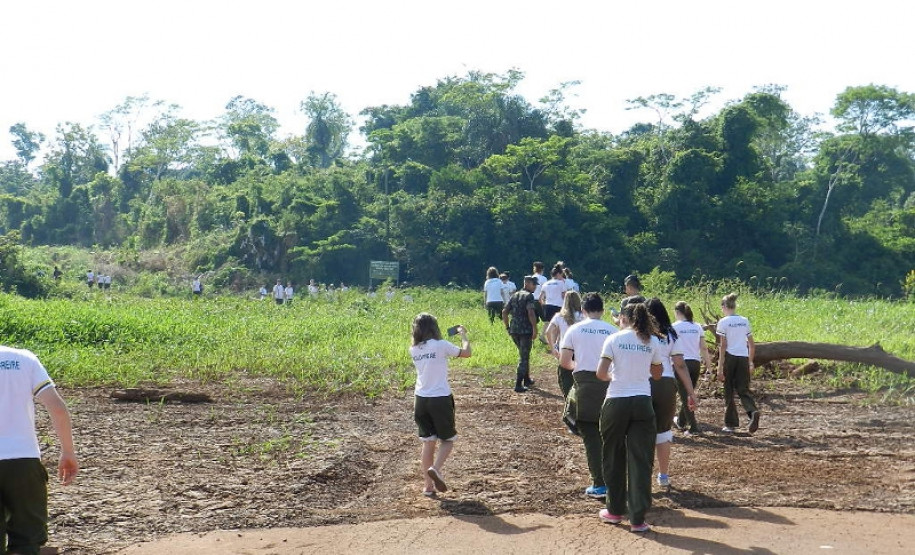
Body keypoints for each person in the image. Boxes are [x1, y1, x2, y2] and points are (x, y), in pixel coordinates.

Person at [1, 345, 79, 554]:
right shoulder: (23, 359)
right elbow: (57, 408)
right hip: (24, 462)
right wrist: (68, 451)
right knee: (27, 541)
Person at [595, 301, 663, 533]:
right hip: (642, 402)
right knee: (641, 460)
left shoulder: (614, 339)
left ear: (623, 318)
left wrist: (615, 377)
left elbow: (601, 373)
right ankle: (638, 519)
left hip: (616, 400)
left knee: (613, 455)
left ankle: (614, 511)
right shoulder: (652, 341)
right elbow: (657, 374)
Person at [558, 293, 617, 499]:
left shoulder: (575, 329)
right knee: (611, 436)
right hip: (610, 386)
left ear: (583, 310)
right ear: (602, 310)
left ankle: (599, 483)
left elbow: (564, 362)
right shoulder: (613, 331)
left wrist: (580, 365)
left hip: (585, 386)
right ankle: (616, 480)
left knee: (591, 437)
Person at [409, 313, 470, 496]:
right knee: (448, 440)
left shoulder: (413, 349)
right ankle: (435, 469)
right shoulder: (441, 345)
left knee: (428, 443)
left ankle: (428, 487)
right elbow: (466, 353)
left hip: (420, 399)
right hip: (440, 398)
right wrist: (463, 335)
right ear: (434, 327)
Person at [645, 298, 698, 490]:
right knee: (664, 431)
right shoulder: (670, 334)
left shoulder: (641, 334)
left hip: (643, 383)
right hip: (666, 383)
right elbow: (680, 365)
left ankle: (643, 474)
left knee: (641, 430)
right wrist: (691, 392)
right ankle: (663, 475)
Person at [717, 293, 761, 434]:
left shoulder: (723, 322)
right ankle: (752, 411)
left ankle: (730, 423)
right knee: (743, 389)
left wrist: (719, 367)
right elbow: (751, 345)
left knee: (729, 390)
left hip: (730, 357)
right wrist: (750, 362)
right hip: (743, 357)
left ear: (724, 306)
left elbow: (723, 346)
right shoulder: (744, 320)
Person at [672, 301, 713, 435]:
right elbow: (704, 348)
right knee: (688, 393)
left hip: (680, 363)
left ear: (677, 312)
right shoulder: (697, 326)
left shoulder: (674, 327)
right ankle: (681, 421)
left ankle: (694, 427)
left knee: (685, 396)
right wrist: (709, 366)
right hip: (695, 363)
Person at [502, 276, 539, 393]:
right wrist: (535, 328)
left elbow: (504, 312)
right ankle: (518, 384)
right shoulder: (529, 296)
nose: (535, 287)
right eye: (534, 284)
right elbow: (531, 313)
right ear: (527, 283)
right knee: (524, 357)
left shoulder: (514, 295)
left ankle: (527, 379)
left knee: (524, 353)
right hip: (525, 331)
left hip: (514, 330)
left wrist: (507, 327)